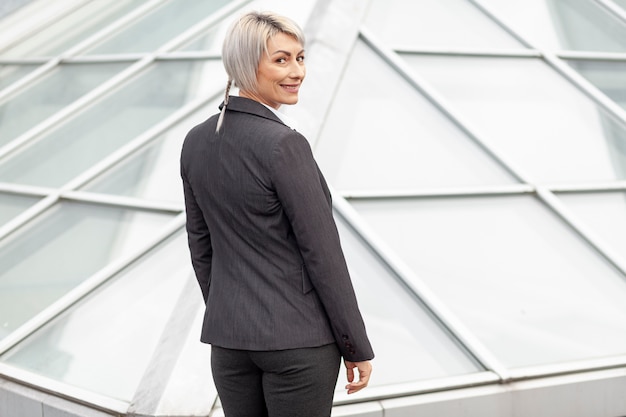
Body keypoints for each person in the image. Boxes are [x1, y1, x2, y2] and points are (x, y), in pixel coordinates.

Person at [180, 11, 374, 417]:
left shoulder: (195, 142)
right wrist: (354, 344)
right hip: (298, 346)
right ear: (245, 65)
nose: (297, 71)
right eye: (281, 60)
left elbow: (201, 247)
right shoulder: (284, 145)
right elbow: (323, 254)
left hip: (229, 345)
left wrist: (231, 311)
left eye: (300, 58)